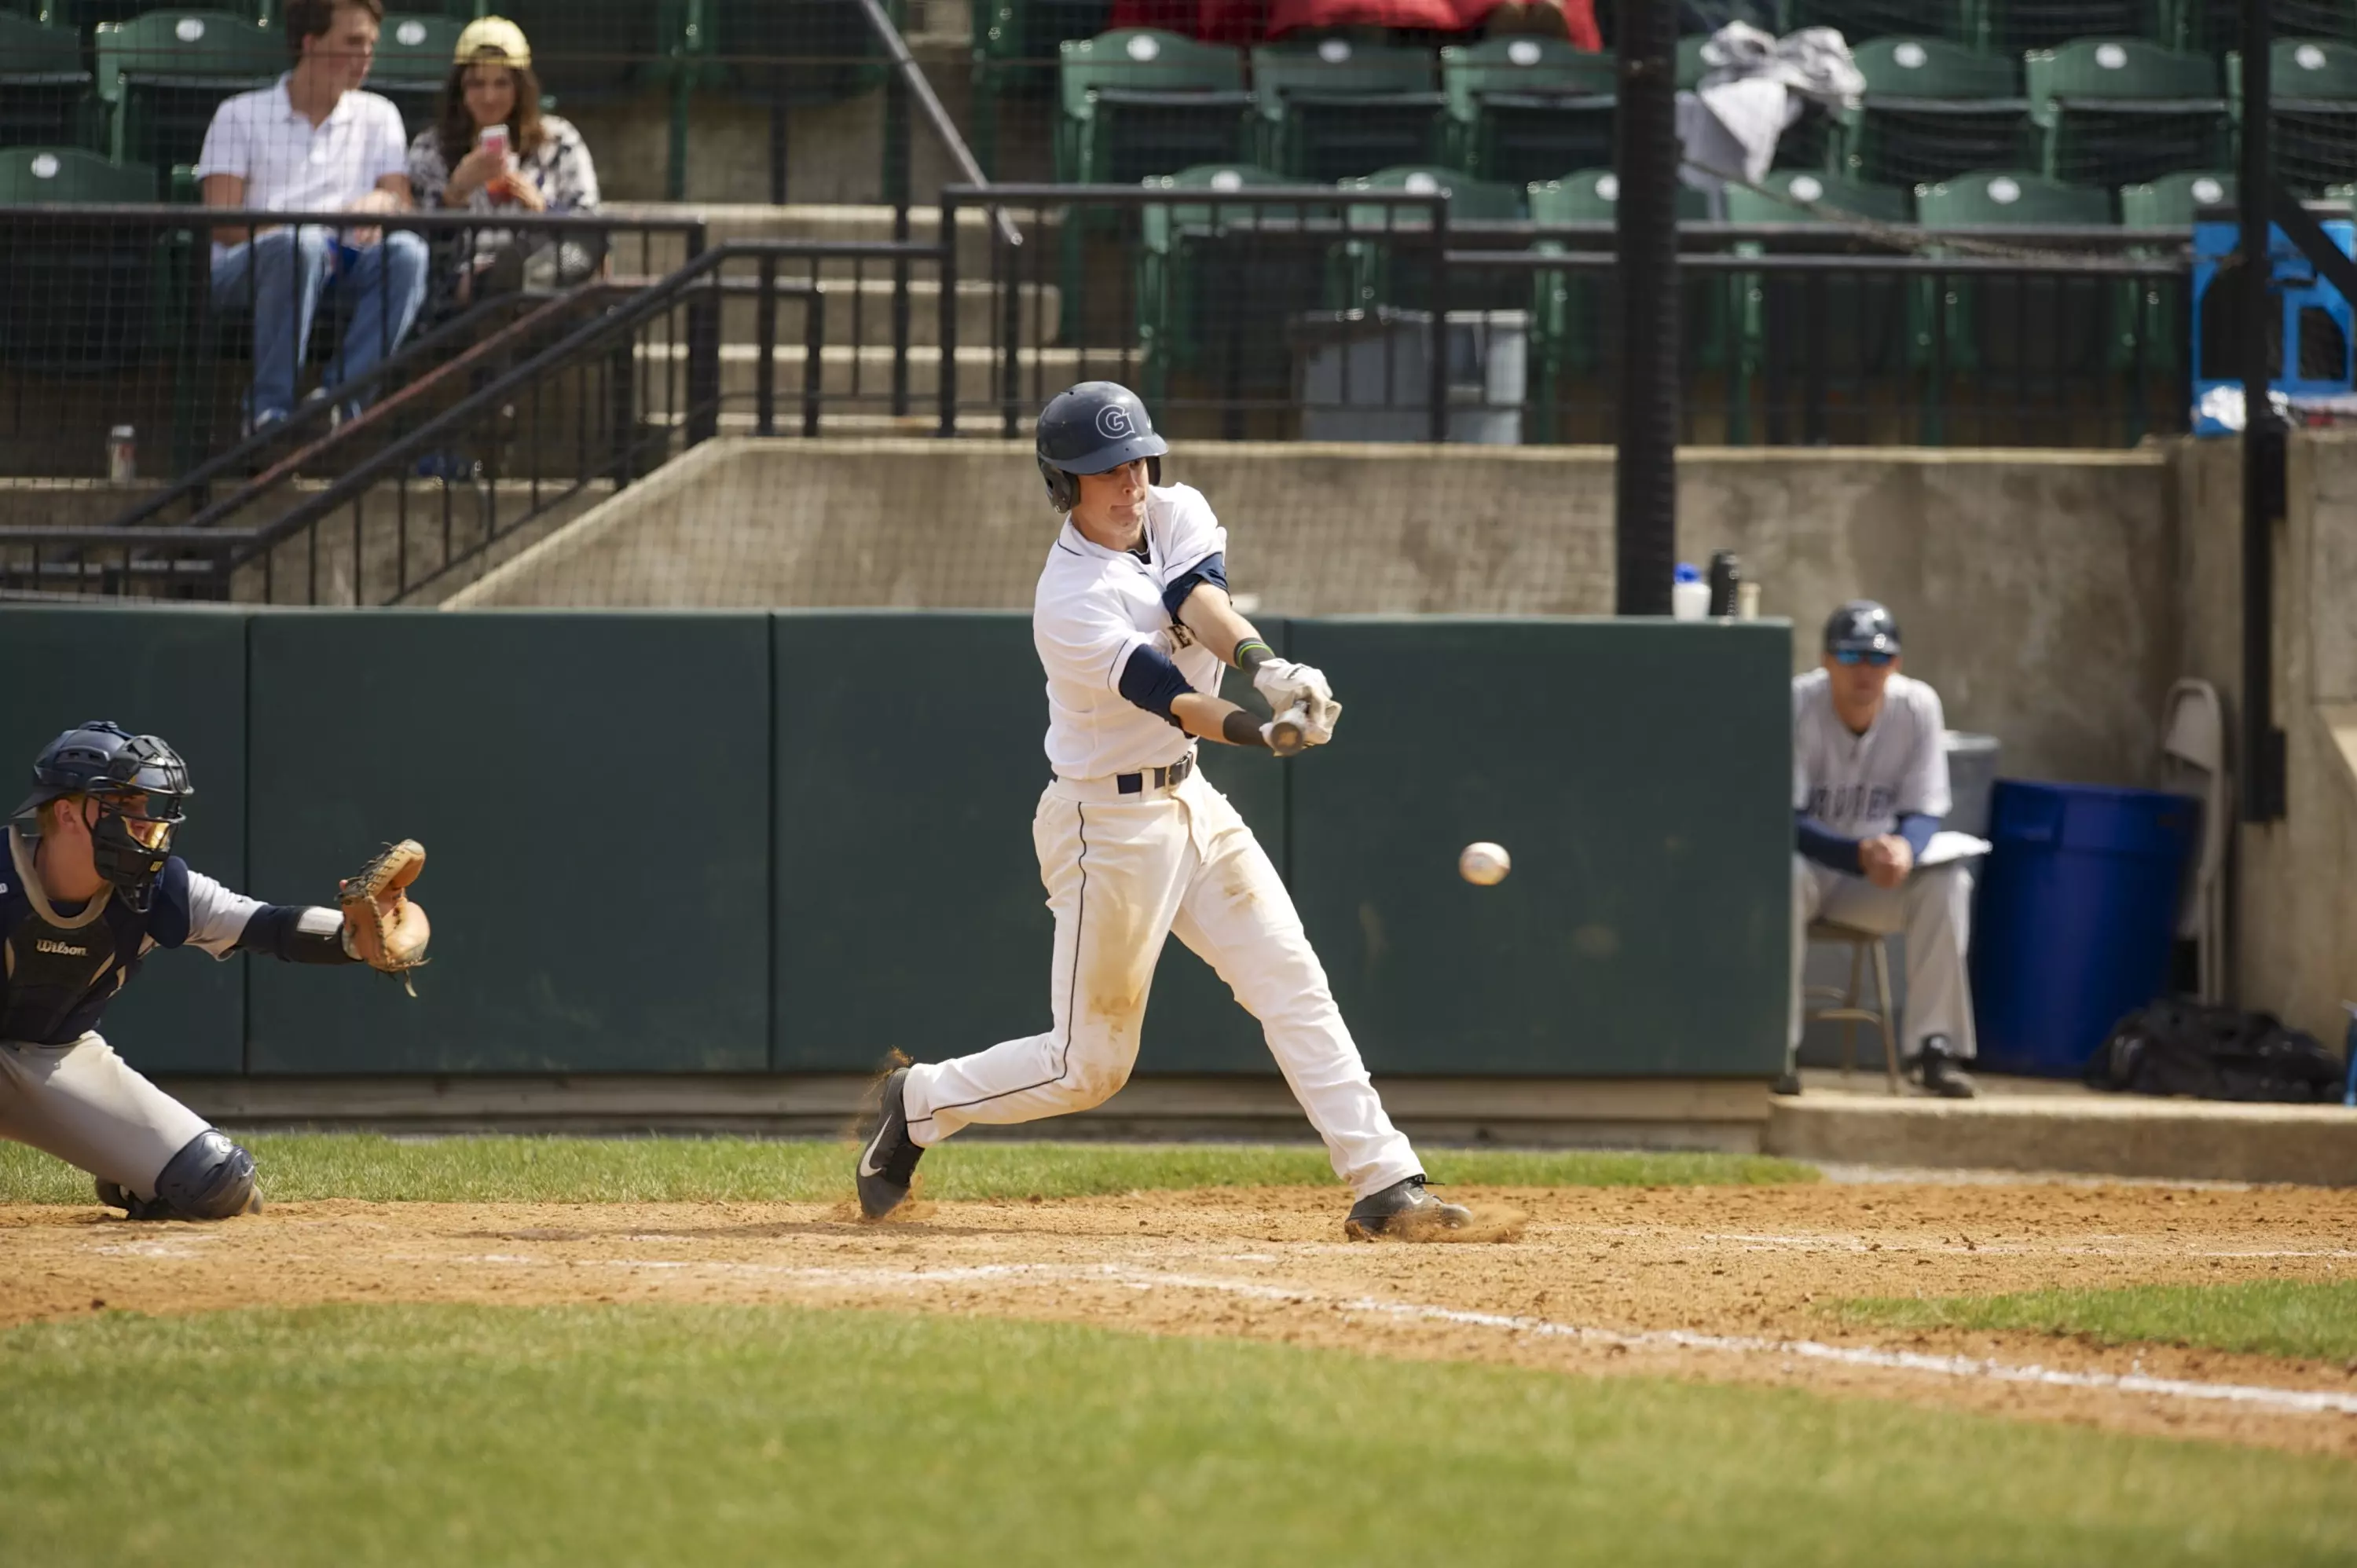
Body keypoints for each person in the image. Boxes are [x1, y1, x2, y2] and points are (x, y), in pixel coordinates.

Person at [854, 383, 1472, 1240]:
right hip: (1102, 827)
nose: (1128, 481)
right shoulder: (1070, 597)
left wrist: (1269, 666)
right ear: (1064, 484)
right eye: (1103, 469)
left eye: (1138, 459)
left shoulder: (1175, 510)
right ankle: (918, 1099)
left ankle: (1385, 1181)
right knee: (1090, 1067)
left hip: (1189, 800)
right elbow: (1170, 695)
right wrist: (1266, 734)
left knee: (1292, 981)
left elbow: (1198, 601)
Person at [0, 723, 428, 1219]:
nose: (143, 822)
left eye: (145, 806)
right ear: (68, 814)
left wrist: (355, 938)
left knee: (216, 1185)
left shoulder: (160, 890)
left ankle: (129, 1175)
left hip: (55, 1059)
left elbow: (265, 925)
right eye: (124, 804)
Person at [195, 0, 427, 430]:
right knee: (299, 245)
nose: (366, 57)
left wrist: (384, 203)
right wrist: (313, 233)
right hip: (252, 267)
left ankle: (340, 405)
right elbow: (225, 225)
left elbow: (401, 201)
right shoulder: (239, 114)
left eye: (372, 45)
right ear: (310, 44)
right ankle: (267, 413)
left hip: (348, 263)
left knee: (409, 253)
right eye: (353, 42)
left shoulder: (380, 115)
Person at [1785, 602, 1978, 1100]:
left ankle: (1935, 1048)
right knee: (1780, 877)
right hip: (1810, 867)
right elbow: (1783, 820)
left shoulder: (1917, 706)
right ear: (1826, 661)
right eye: (1849, 658)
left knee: (1948, 882)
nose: (1864, 672)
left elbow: (1925, 807)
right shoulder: (1798, 702)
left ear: (1895, 664)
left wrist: (1905, 852)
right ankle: (1776, 1051)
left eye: (1876, 659)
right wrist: (1857, 854)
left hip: (1873, 878)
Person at [405, 16, 602, 306]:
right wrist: (454, 194)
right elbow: (416, 237)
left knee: (583, 246)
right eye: (476, 84)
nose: (489, 97)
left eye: (502, 83)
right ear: (459, 90)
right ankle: (507, 285)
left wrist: (542, 208)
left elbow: (589, 222)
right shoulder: (430, 147)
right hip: (461, 280)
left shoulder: (559, 139)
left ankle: (515, 282)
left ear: (520, 89)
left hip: (545, 267)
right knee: (504, 277)